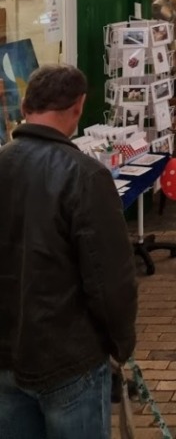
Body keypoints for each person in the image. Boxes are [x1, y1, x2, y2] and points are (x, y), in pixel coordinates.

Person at [0, 64, 138, 437]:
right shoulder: (86, 175)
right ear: (79, 107)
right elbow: (109, 276)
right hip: (68, 356)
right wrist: (121, 341)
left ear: (26, 104)